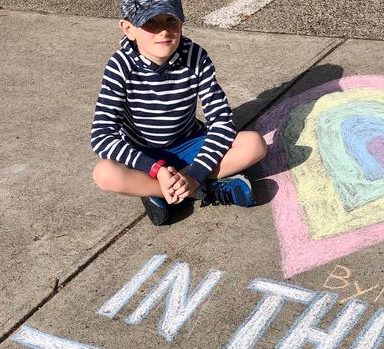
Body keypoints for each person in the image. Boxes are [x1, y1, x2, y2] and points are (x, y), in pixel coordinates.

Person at [91, 0, 266, 225]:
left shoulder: (195, 56)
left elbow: (222, 121)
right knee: (104, 174)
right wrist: (157, 170)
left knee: (254, 144)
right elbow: (102, 135)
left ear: (181, 21)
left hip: (189, 144)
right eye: (150, 22)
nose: (163, 30)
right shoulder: (120, 66)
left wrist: (194, 174)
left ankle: (162, 192)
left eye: (170, 20)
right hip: (144, 156)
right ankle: (200, 191)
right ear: (128, 29)